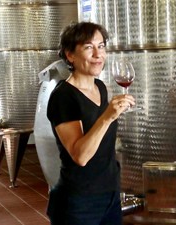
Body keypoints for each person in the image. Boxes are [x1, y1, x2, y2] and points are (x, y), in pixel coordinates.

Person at [46, 21, 135, 225]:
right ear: (70, 55)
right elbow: (81, 155)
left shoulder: (100, 87)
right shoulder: (63, 97)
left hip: (109, 194)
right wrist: (108, 116)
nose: (98, 54)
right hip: (78, 201)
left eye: (101, 46)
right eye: (88, 47)